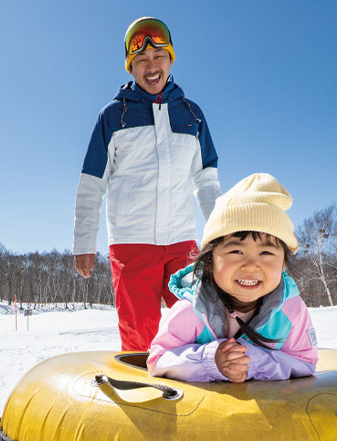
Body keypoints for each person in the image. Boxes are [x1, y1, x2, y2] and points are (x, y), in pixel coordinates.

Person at [73, 16, 222, 352]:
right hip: (131, 243)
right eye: (141, 60)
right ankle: (145, 399)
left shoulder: (191, 115)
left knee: (200, 325)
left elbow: (206, 179)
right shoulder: (113, 116)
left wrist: (220, 236)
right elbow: (91, 183)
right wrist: (84, 241)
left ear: (170, 60)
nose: (151, 66)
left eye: (159, 58)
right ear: (131, 67)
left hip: (182, 241)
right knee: (139, 336)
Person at [147, 173, 318, 382]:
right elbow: (158, 361)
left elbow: (305, 362)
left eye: (266, 253)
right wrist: (210, 360)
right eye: (236, 251)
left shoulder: (291, 311)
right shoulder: (192, 309)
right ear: (209, 261)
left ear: (283, 264)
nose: (251, 265)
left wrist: (253, 362)